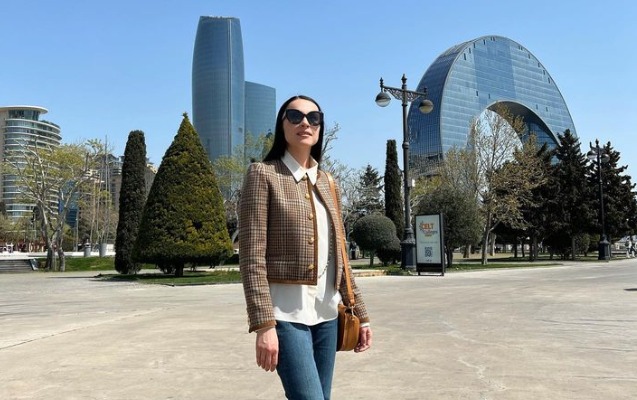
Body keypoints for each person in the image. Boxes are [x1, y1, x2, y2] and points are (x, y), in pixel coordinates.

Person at [239, 95, 372, 399]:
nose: (305, 123)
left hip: (327, 316)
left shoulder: (328, 182)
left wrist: (362, 314)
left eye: (314, 118)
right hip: (285, 316)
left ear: (320, 127)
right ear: (282, 123)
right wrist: (263, 325)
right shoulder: (263, 174)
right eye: (295, 116)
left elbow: (340, 257)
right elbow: (252, 257)